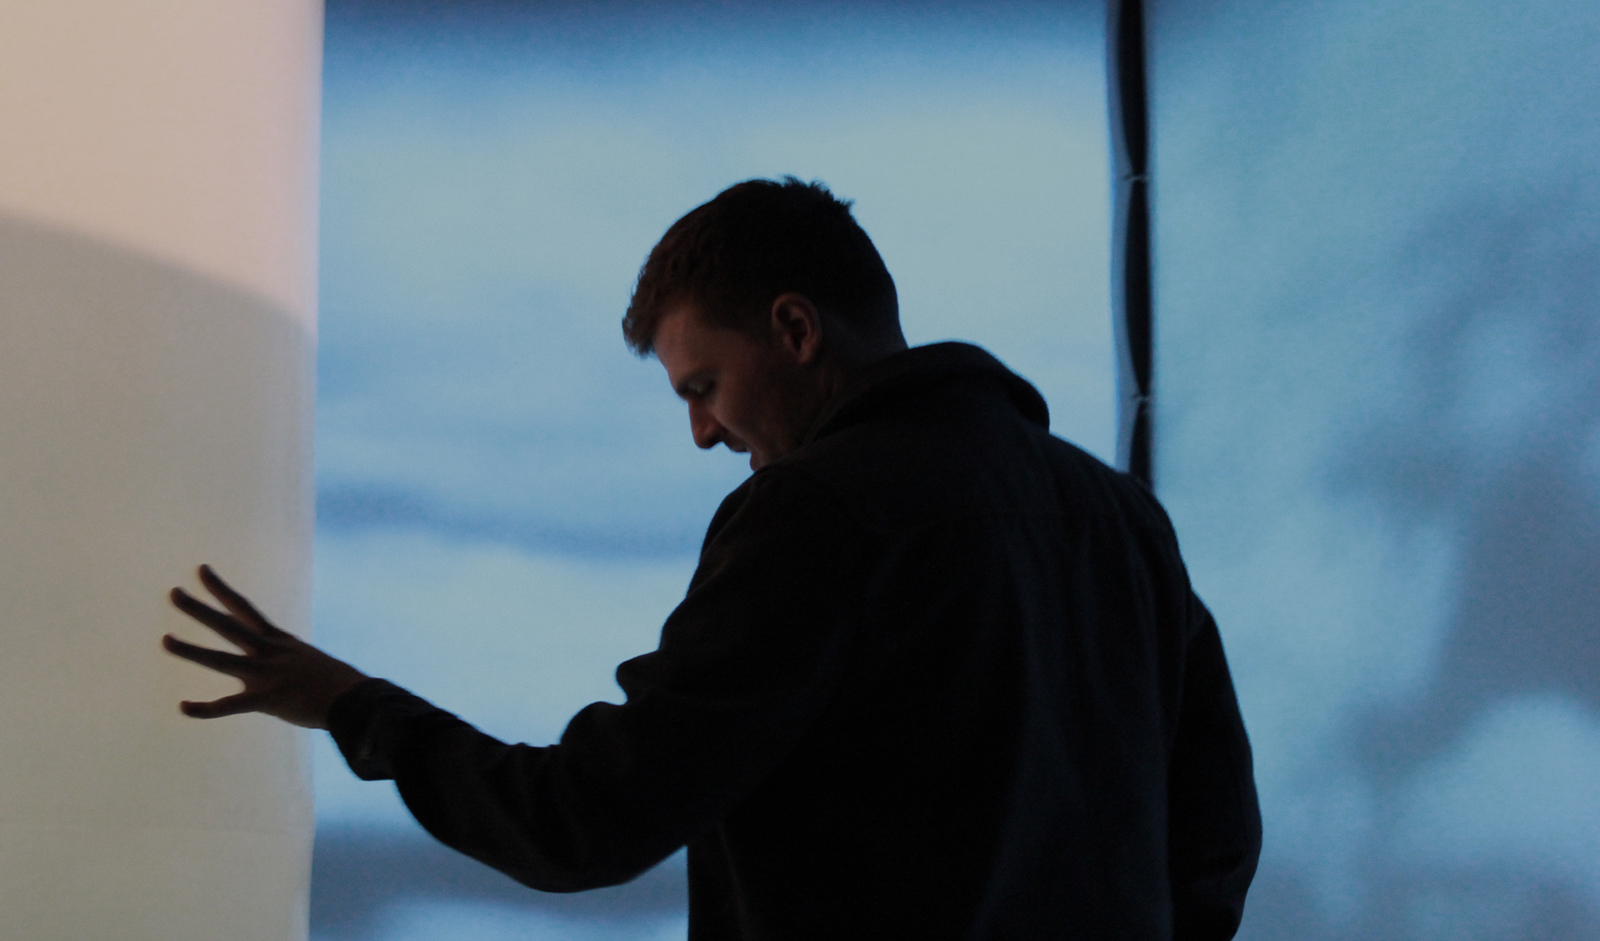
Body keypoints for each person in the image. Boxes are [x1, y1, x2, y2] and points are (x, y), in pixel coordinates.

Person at [164, 177, 1261, 939]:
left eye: (703, 386)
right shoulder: (1123, 517)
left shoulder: (816, 512)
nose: (702, 433)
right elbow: (1214, 835)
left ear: (795, 329)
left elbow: (589, 818)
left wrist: (354, 705)